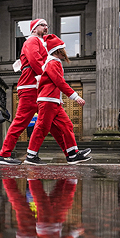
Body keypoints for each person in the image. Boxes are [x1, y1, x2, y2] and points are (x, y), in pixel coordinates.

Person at [0, 19, 70, 165]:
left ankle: (71, 153)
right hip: (30, 88)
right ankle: (4, 155)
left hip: (36, 88)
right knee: (21, 121)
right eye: (43, 25)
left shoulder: (38, 42)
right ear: (34, 29)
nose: (46, 27)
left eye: (46, 25)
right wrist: (46, 77)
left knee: (55, 123)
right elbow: (35, 60)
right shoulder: (32, 41)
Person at [23, 34, 91, 165]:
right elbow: (59, 82)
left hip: (52, 101)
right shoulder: (53, 63)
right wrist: (75, 97)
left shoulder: (52, 63)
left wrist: (58, 99)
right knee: (42, 127)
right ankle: (31, 156)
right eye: (64, 49)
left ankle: (72, 154)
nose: (66, 52)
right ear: (58, 50)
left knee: (67, 125)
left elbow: (53, 84)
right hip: (48, 101)